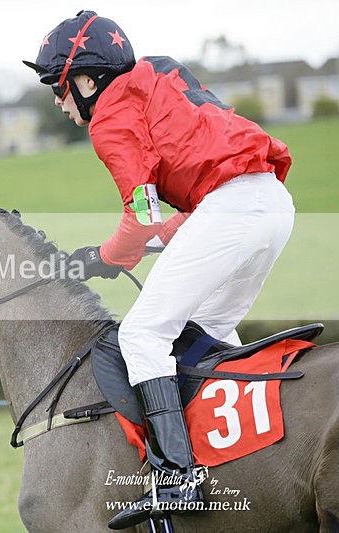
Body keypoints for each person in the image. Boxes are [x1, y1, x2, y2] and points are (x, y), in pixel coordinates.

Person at [24, 10, 295, 530]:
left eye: (59, 87)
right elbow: (183, 201)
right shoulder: (156, 74)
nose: (59, 103)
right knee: (209, 333)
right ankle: (238, 454)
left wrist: (109, 256)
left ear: (87, 78)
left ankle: (175, 475)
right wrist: (155, 240)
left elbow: (141, 212)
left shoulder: (108, 116)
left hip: (232, 208)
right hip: (268, 202)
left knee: (143, 334)